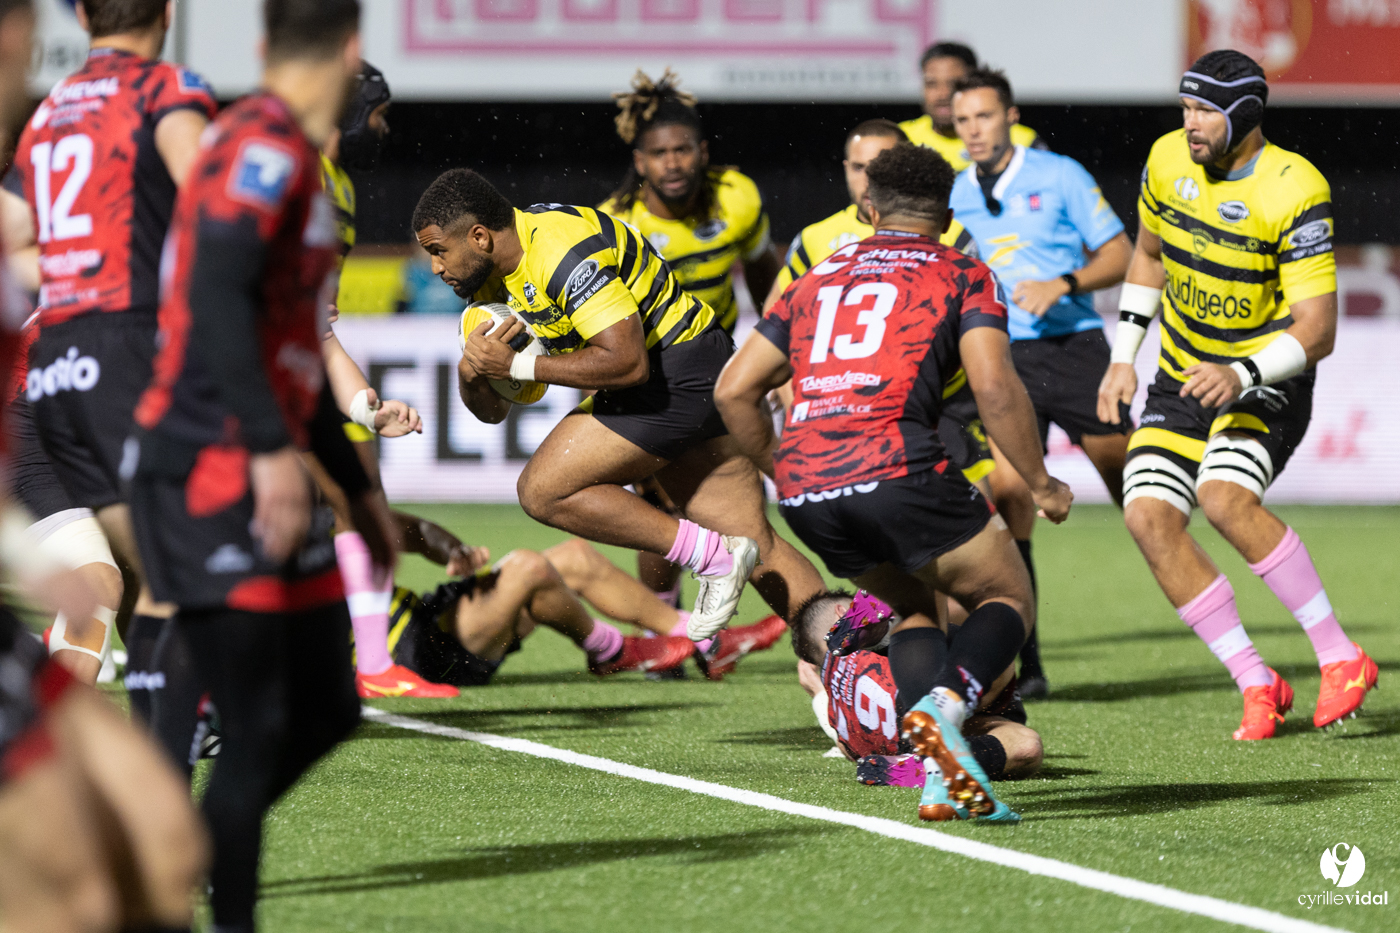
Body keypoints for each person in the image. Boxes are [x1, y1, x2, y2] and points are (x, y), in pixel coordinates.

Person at [126, 3, 396, 930]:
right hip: (203, 468)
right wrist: (270, 448)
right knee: (251, 730)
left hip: (259, 459)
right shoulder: (261, 144)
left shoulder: (306, 167)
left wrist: (360, 491)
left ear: (264, 45)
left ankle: (184, 840)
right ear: (355, 50)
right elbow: (215, 291)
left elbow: (292, 350)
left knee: (329, 705)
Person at [715, 142, 1072, 822]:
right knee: (1004, 592)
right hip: (894, 466)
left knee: (914, 606)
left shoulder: (817, 276)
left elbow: (736, 391)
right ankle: (943, 711)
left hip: (808, 488)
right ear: (947, 210)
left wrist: (785, 468)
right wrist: (1041, 480)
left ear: (866, 208)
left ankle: (937, 771)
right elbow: (995, 386)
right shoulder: (962, 271)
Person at [413, 169, 827, 641]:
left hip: (676, 370)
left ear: (480, 237)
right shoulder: (491, 286)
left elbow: (628, 363)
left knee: (542, 490)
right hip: (696, 371)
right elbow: (495, 411)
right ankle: (850, 657)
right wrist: (474, 375)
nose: (434, 267)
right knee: (760, 546)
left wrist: (516, 367)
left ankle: (713, 558)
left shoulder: (557, 251)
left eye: (438, 251)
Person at [1098, 51, 1377, 741]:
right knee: (1148, 516)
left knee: (1223, 497)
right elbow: (1148, 255)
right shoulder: (1166, 160)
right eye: (1185, 107)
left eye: (1204, 111)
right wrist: (1122, 357)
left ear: (1245, 113)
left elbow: (1318, 329)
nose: (1189, 123)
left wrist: (1243, 372)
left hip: (1266, 379)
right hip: (1183, 371)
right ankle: (1256, 679)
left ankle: (1340, 654)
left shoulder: (1294, 187)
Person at [0, 5, 207, 931]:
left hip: (46, 399)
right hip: (100, 378)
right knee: (150, 583)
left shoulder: (46, 123)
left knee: (109, 586)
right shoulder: (161, 94)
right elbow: (219, 208)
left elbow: (14, 233)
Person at [949, 68, 1134, 696]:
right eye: (963, 119)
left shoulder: (1060, 174)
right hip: (1003, 360)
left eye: (983, 117)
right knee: (1009, 495)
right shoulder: (955, 191)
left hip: (1075, 349)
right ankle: (1027, 664)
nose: (973, 130)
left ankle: (1212, 613)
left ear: (1010, 117)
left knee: (1140, 502)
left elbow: (1121, 253)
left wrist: (1064, 283)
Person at [599, 70, 783, 624]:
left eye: (683, 150)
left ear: (703, 152)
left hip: (722, 368)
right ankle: (669, 626)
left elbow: (760, 272)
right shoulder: (616, 222)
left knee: (738, 499)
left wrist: (774, 352)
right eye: (660, 154)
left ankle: (712, 621)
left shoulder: (737, 197)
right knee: (658, 503)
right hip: (654, 375)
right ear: (640, 162)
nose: (673, 163)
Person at [315, 59, 453, 699]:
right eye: (378, 113)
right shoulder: (296, 173)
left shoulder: (336, 188)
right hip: (216, 370)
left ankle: (369, 662)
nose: (384, 128)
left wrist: (366, 410)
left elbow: (312, 326)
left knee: (355, 483)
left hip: (277, 365)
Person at [764, 119, 994, 493]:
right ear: (845, 170)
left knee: (995, 503)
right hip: (844, 409)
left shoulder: (950, 235)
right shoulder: (815, 240)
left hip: (941, 406)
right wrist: (794, 403)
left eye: (882, 165)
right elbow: (778, 321)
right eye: (858, 167)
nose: (869, 179)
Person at [383, 514, 787, 685]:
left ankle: (704, 640)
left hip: (429, 616)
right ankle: (608, 651)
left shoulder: (334, 515)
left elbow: (413, 528)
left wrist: (455, 551)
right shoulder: (322, 527)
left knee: (574, 557)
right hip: (418, 656)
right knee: (527, 568)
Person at [791, 591, 1042, 788]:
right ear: (842, 611)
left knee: (1025, 745)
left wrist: (819, 695)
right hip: (923, 679)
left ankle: (925, 765)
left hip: (899, 731)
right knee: (973, 614)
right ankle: (880, 632)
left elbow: (850, 751)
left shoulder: (840, 712)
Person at [899, 42, 1044, 172]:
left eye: (954, 84)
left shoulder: (1022, 141)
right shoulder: (900, 139)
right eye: (931, 84)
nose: (943, 94)